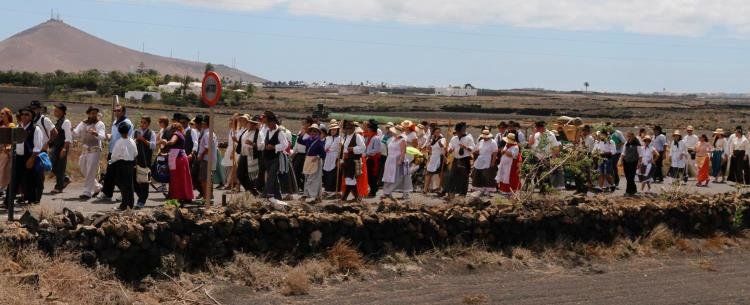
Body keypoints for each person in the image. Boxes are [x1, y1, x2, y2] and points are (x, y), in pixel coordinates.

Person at [100, 105, 134, 202]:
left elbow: (128, 138)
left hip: (121, 154)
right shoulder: (115, 122)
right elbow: (114, 136)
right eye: (115, 110)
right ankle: (107, 193)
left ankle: (124, 194)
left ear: (123, 112)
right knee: (110, 173)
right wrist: (107, 136)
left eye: (119, 110)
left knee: (120, 175)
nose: (116, 112)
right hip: (112, 151)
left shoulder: (127, 123)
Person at [9, 108, 43, 205]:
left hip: (29, 156)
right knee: (14, 179)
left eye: (26, 114)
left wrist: (32, 159)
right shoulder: (17, 127)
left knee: (30, 179)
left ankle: (31, 201)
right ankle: (8, 202)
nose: (23, 116)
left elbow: (38, 146)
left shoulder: (35, 129)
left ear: (31, 117)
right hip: (18, 157)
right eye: (22, 114)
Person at [72, 106, 106, 199]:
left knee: (91, 170)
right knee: (83, 168)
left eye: (95, 113)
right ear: (88, 114)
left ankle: (87, 192)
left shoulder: (99, 124)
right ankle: (97, 187)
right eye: (92, 113)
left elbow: (102, 136)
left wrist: (96, 133)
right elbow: (76, 133)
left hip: (95, 150)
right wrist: (70, 130)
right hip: (85, 149)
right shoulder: (83, 123)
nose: (93, 115)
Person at [159, 122, 194, 204]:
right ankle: (186, 196)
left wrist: (164, 142)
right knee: (184, 177)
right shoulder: (181, 134)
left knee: (176, 178)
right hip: (180, 157)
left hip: (177, 159)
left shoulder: (176, 133)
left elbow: (172, 142)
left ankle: (177, 196)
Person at [443, 122, 475, 199]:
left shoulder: (468, 138)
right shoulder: (454, 138)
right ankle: (451, 194)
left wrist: (465, 147)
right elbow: (450, 146)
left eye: (459, 132)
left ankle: (462, 195)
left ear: (462, 131)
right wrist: (449, 149)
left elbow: (473, 148)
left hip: (464, 159)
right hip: (456, 159)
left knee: (464, 177)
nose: (457, 133)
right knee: (452, 176)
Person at [110, 123, 137, 211]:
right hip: (130, 164)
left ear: (119, 132)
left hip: (121, 164)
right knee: (130, 184)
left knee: (122, 185)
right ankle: (130, 204)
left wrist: (111, 161)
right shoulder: (132, 141)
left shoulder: (119, 142)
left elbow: (114, 156)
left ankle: (124, 205)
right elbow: (135, 153)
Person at [262, 112, 289, 200]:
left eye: (269, 123)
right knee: (273, 177)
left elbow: (285, 145)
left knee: (271, 176)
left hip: (276, 157)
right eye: (267, 123)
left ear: (273, 122)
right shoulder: (266, 131)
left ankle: (268, 194)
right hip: (267, 158)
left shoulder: (279, 132)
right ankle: (278, 196)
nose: (268, 125)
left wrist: (274, 147)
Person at [529, 121, 561, 192]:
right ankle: (543, 190)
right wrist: (533, 133)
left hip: (547, 158)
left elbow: (555, 147)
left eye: (538, 128)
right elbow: (530, 144)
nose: (537, 129)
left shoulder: (550, 135)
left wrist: (554, 159)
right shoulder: (536, 134)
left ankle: (546, 190)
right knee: (538, 175)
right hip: (537, 157)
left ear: (542, 127)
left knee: (545, 175)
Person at [382, 125, 411, 200]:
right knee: (388, 176)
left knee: (398, 177)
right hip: (390, 159)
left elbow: (403, 151)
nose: (392, 132)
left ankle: (389, 192)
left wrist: (400, 160)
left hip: (397, 160)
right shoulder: (392, 139)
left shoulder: (402, 140)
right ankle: (387, 192)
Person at [340, 120, 366, 202]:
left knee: (350, 178)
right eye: (347, 128)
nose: (348, 130)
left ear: (353, 128)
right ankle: (357, 197)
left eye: (350, 128)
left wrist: (353, 149)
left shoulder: (357, 137)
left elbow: (363, 148)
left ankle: (345, 197)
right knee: (348, 178)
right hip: (347, 160)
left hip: (353, 160)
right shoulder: (345, 137)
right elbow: (343, 150)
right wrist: (341, 159)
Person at [49, 103, 72, 194]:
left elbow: (68, 137)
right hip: (56, 147)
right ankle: (65, 179)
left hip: (62, 147)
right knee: (53, 166)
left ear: (62, 112)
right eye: (55, 110)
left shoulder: (66, 122)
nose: (55, 112)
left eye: (57, 111)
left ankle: (59, 187)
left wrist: (64, 149)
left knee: (60, 167)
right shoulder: (58, 122)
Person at [300, 124, 326, 203]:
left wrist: (317, 157)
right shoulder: (308, 140)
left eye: (315, 131)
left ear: (318, 132)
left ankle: (313, 195)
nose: (313, 133)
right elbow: (300, 141)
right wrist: (302, 134)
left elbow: (323, 154)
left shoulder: (319, 142)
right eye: (311, 131)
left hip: (316, 161)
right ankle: (308, 194)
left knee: (314, 179)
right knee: (307, 177)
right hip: (308, 161)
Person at [134, 116, 156, 208]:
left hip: (146, 160)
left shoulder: (151, 133)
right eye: (141, 122)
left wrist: (143, 140)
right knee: (135, 181)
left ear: (148, 124)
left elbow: (153, 145)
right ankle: (141, 197)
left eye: (145, 123)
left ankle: (142, 200)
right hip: (136, 160)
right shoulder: (136, 132)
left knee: (144, 182)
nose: (142, 124)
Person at [472, 128, 498, 196]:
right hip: (480, 158)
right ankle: (481, 188)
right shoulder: (481, 141)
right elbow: (478, 149)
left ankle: (488, 189)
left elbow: (495, 153)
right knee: (478, 173)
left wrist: (492, 162)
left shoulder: (493, 142)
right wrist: (475, 151)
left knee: (487, 174)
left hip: (488, 158)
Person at [292, 117, 313, 192]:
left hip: (305, 155)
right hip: (298, 154)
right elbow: (297, 143)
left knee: (304, 172)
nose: (303, 125)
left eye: (305, 123)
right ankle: (297, 187)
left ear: (309, 124)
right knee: (295, 170)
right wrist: (294, 152)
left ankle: (304, 188)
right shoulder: (301, 132)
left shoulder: (311, 133)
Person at [423, 126, 445, 194]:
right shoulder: (433, 139)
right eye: (436, 132)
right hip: (432, 157)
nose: (437, 133)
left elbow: (443, 147)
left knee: (439, 174)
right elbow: (429, 149)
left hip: (439, 157)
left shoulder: (442, 139)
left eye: (438, 132)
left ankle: (440, 188)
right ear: (434, 133)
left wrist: (439, 143)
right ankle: (425, 189)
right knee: (428, 174)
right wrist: (429, 146)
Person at [322, 122, 341, 198]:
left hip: (335, 156)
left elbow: (335, 148)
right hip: (328, 156)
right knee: (326, 172)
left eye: (335, 130)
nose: (333, 131)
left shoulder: (339, 138)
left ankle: (333, 189)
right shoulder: (328, 138)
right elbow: (326, 147)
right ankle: (327, 189)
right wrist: (328, 148)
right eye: (332, 130)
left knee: (333, 173)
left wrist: (329, 148)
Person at [364, 119, 382, 198]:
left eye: (368, 127)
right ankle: (373, 189)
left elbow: (377, 150)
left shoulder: (376, 138)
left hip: (373, 159)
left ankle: (373, 191)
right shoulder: (369, 137)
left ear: (371, 128)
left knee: (372, 176)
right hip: (369, 158)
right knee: (369, 175)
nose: (367, 129)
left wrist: (367, 153)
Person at [620, 132, 641, 196]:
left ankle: (628, 191)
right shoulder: (626, 143)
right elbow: (623, 152)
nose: (629, 138)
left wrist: (639, 163)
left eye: (630, 136)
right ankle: (634, 190)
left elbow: (640, 154)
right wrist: (621, 160)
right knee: (627, 176)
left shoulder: (637, 144)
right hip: (626, 161)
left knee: (630, 177)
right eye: (628, 136)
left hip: (633, 162)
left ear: (633, 136)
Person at [0, 108, 15, 197]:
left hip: (6, 151)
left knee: (3, 171)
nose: (1, 115)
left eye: (2, 114)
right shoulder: (1, 125)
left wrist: (8, 147)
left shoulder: (11, 125)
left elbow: (12, 138)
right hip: (1, 150)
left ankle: (2, 189)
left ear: (7, 115)